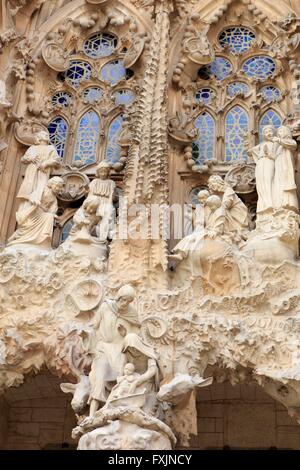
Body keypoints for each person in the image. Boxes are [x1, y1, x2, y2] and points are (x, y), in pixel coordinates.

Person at [87, 284, 141, 416]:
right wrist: (86, 336)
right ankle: (92, 415)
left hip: (119, 349)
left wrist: (125, 332)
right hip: (103, 348)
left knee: (120, 377)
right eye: (123, 300)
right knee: (99, 377)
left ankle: (112, 412)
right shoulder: (106, 307)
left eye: (129, 301)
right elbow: (94, 325)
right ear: (118, 298)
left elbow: (135, 334)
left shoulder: (132, 313)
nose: (125, 304)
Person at [16, 130, 61, 225]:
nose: (46, 136)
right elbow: (23, 159)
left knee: (41, 190)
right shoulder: (33, 148)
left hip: (43, 172)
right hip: (32, 172)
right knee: (29, 190)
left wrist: (46, 163)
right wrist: (30, 158)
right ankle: (27, 211)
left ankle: (38, 210)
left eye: (47, 135)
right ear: (39, 137)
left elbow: (57, 160)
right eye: (44, 134)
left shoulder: (50, 148)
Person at [8, 176, 64, 249]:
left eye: (60, 188)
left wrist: (54, 215)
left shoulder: (54, 199)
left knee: (49, 217)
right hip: (34, 212)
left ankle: (43, 239)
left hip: (43, 214)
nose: (58, 189)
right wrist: (35, 200)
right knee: (27, 226)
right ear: (52, 184)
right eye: (57, 186)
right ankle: (18, 238)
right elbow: (33, 196)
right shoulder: (43, 189)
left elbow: (52, 211)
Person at [207, 175, 249, 241]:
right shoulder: (216, 193)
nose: (210, 186)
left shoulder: (228, 190)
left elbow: (225, 205)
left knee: (221, 211)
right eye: (210, 184)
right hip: (226, 210)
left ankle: (227, 232)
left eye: (212, 184)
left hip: (237, 211)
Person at [247, 125, 278, 214]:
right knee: (261, 183)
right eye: (266, 132)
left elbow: (277, 156)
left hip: (269, 162)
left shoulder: (275, 143)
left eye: (270, 131)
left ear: (274, 133)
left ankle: (271, 203)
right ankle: (263, 204)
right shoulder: (261, 144)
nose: (268, 133)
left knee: (268, 181)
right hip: (260, 163)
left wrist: (268, 153)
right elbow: (249, 152)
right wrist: (249, 148)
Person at [87, 161, 116, 241]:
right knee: (93, 219)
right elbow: (91, 194)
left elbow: (111, 195)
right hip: (96, 203)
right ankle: (89, 236)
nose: (103, 174)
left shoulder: (111, 182)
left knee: (105, 220)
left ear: (108, 172)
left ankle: (102, 238)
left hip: (106, 202)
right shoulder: (94, 182)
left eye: (105, 172)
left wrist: (109, 206)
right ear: (98, 172)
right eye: (101, 172)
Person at [273, 126, 299, 212]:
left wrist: (279, 141)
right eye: (278, 132)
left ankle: (289, 203)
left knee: (286, 183)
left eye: (281, 131)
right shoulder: (278, 146)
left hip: (286, 166)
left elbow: (293, 145)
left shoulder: (289, 142)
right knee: (278, 184)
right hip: (278, 167)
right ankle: (279, 203)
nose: (279, 133)